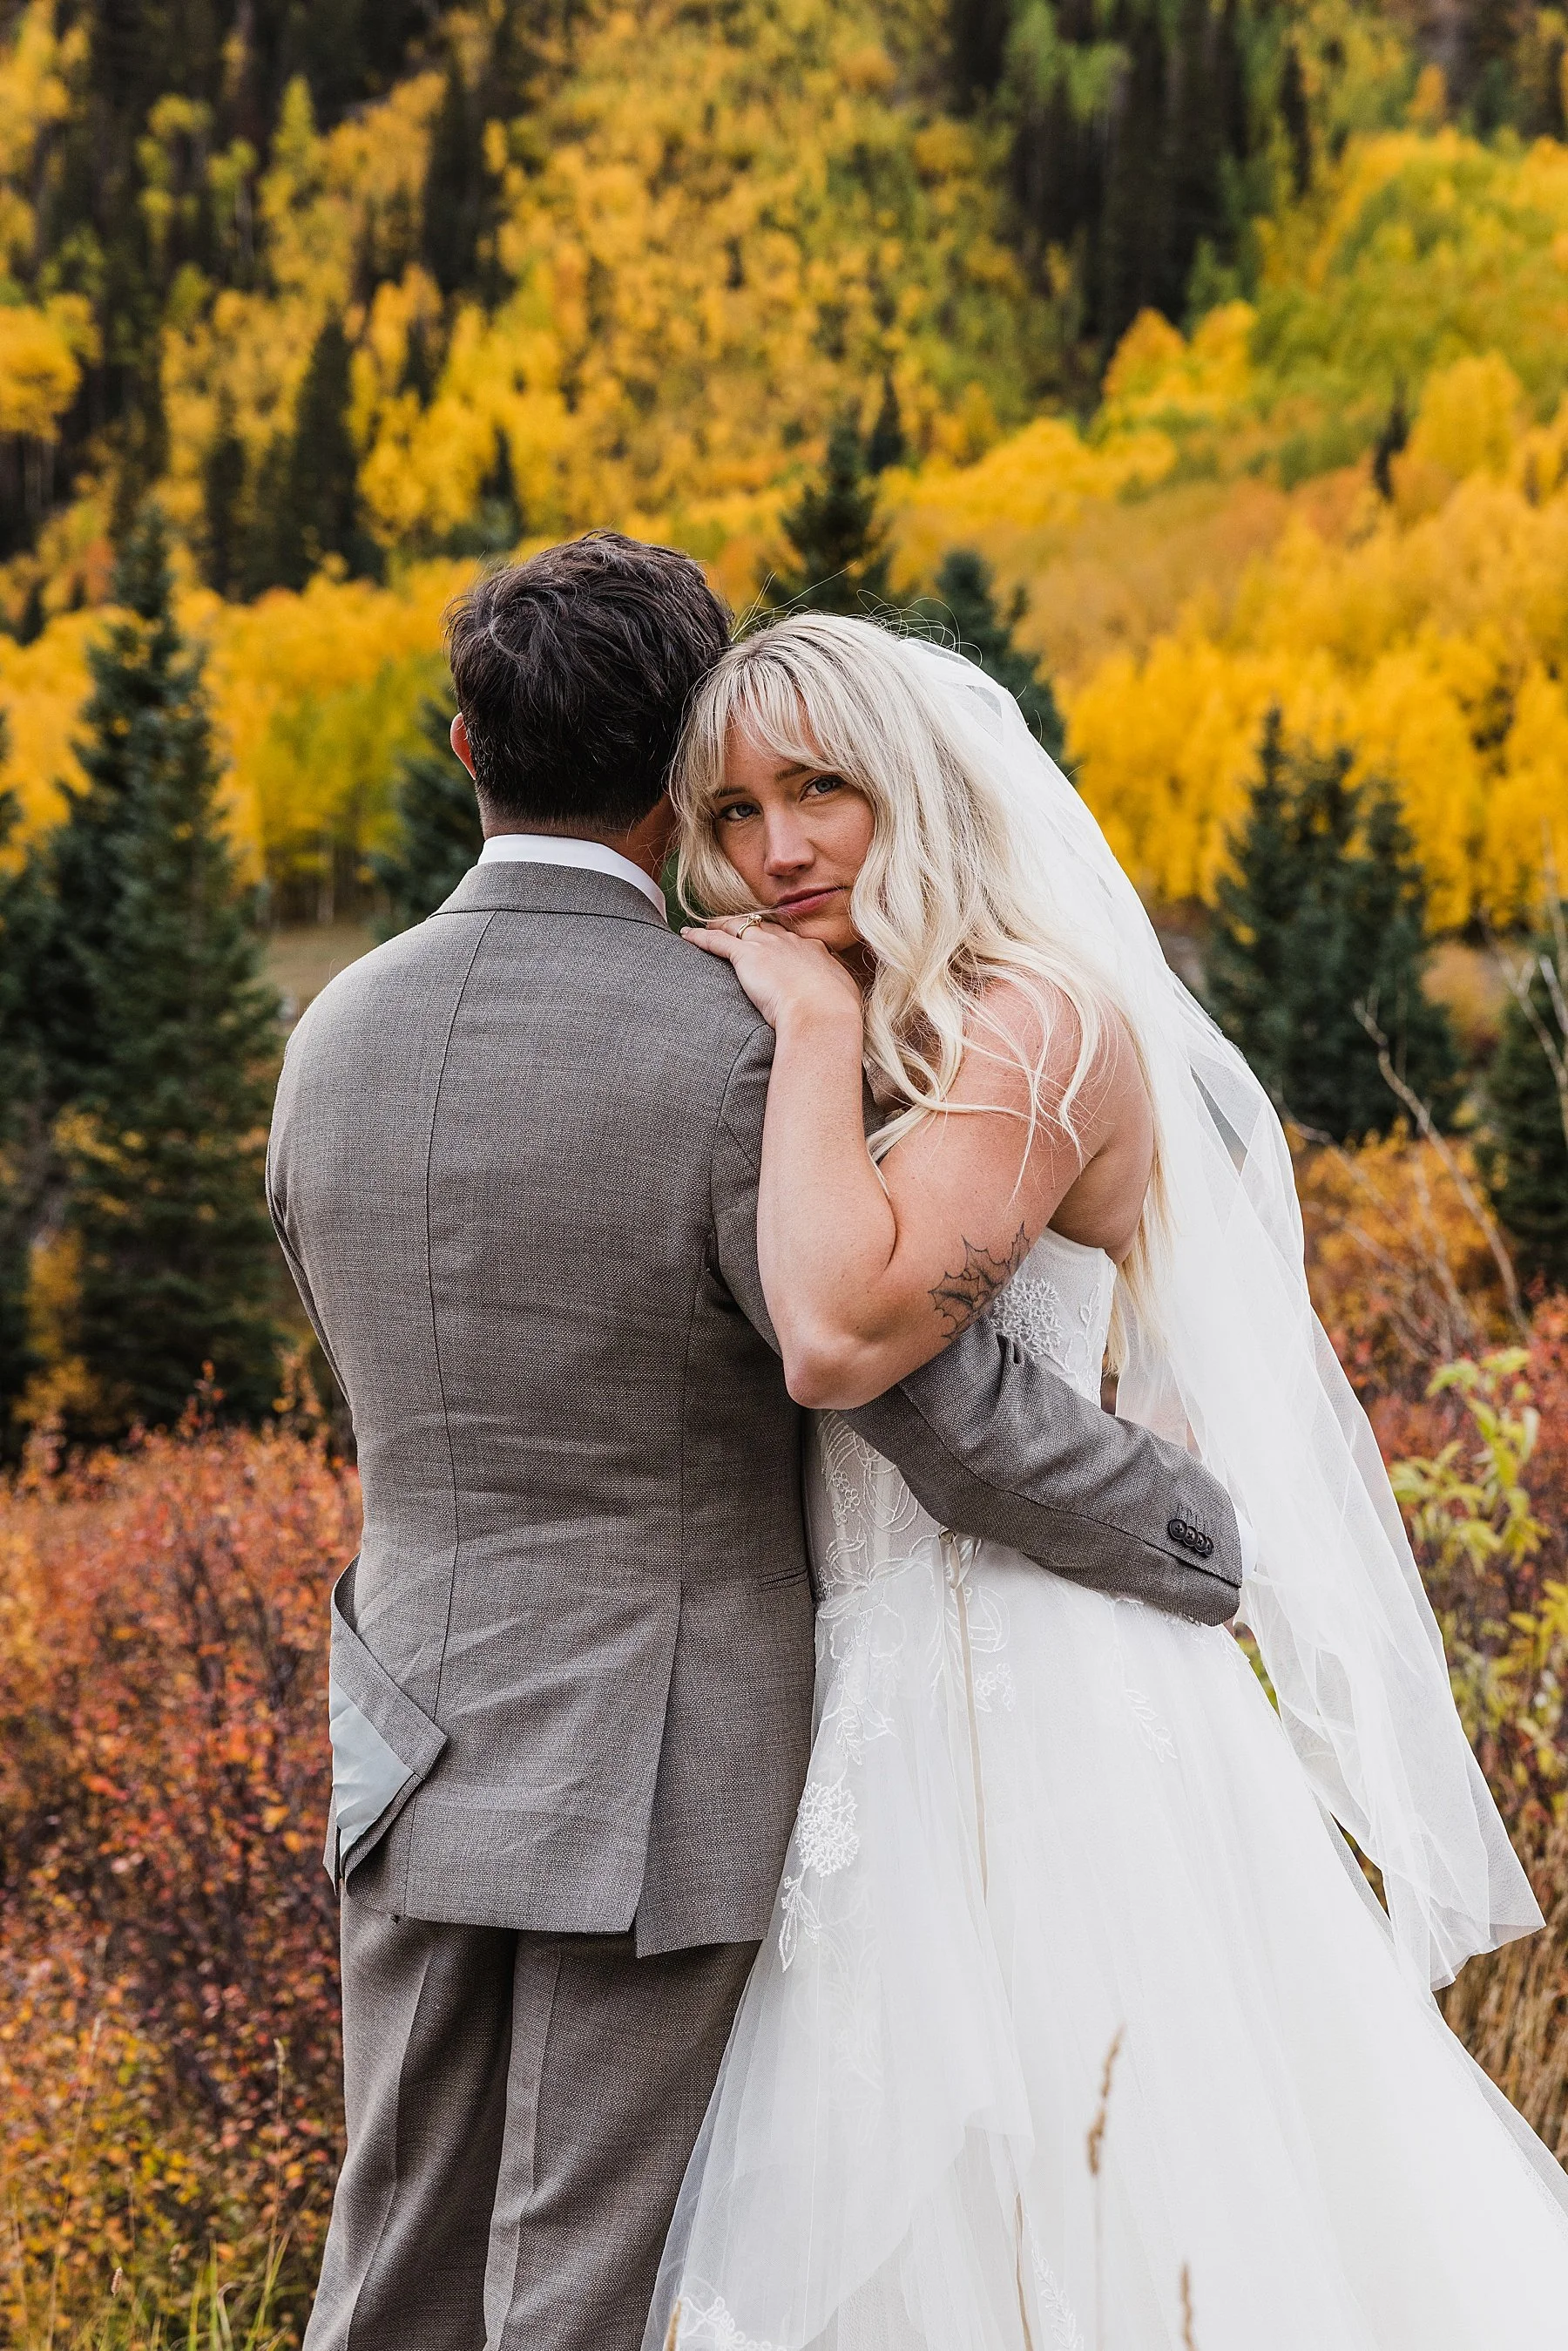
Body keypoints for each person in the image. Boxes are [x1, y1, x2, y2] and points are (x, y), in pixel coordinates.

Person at [265, 535, 1247, 2351]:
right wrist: (1197, 1532)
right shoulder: (739, 1041)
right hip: (666, 1759)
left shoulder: (330, 1034)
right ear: (678, 780)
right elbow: (931, 1400)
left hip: (400, 1722)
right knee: (583, 2272)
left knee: (393, 2262)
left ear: (466, 751)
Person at [645, 613, 1568, 2351]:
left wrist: (806, 1020)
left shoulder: (1038, 1023)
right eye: (733, 809)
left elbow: (843, 1333)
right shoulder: (861, 1021)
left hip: (1052, 1703)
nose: (774, 851)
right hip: (857, 1700)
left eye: (821, 789)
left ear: (911, 787)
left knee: (1131, 2202)